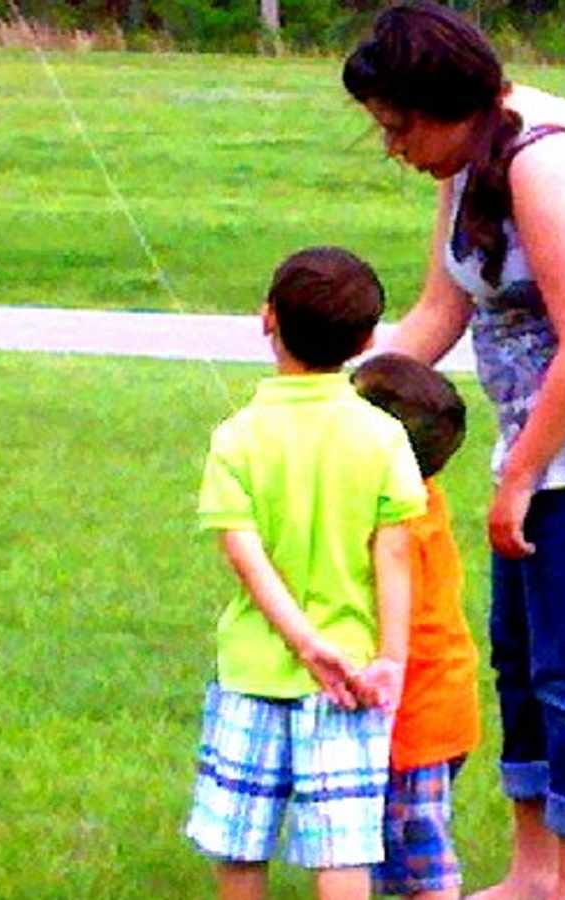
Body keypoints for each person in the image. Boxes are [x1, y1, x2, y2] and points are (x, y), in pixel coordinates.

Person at [343, 5, 565, 898]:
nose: (393, 147)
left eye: (399, 127)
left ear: (450, 106)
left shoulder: (544, 166)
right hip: (540, 437)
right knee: (519, 654)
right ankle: (533, 876)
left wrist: (521, 476)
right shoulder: (469, 160)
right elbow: (440, 311)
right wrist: (330, 405)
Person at [184, 246, 428, 900]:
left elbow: (246, 557)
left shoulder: (237, 437)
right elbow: (394, 554)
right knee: (343, 849)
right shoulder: (383, 437)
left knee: (239, 846)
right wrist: (391, 659)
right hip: (353, 678)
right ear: (368, 341)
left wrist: (302, 643)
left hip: (252, 670)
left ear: (267, 318)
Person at [352, 352, 481, 900]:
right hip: (442, 703)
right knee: (397, 835)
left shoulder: (396, 525)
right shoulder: (423, 496)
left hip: (417, 715)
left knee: (421, 844)